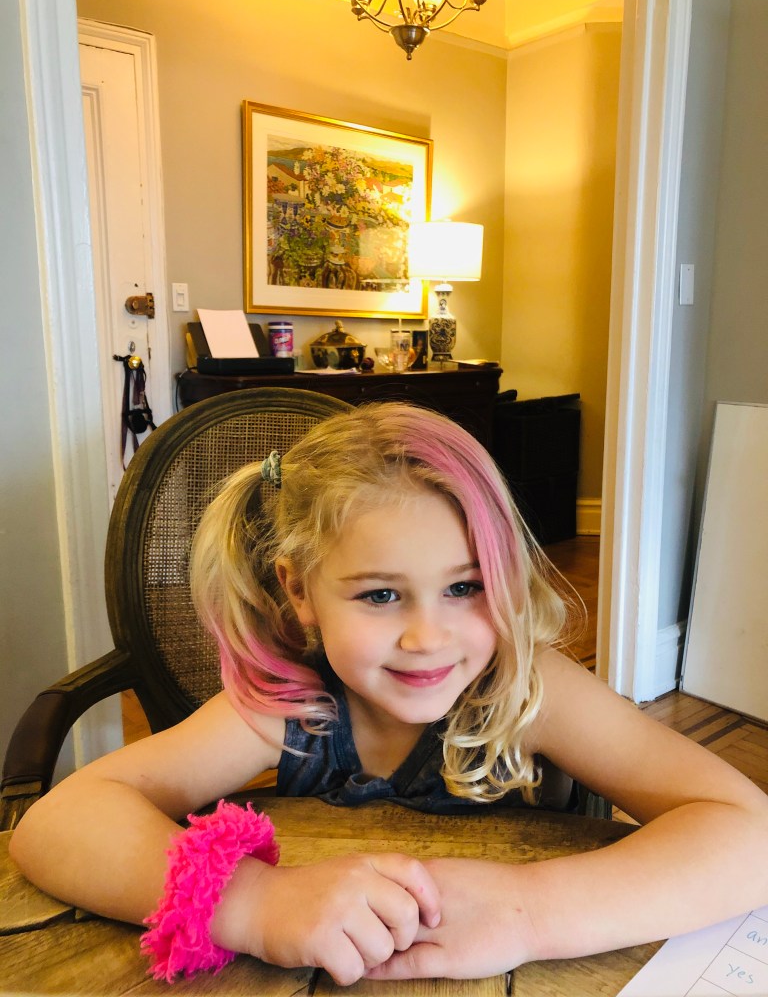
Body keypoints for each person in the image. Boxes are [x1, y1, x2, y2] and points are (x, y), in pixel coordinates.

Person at [9, 402, 768, 987]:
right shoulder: (289, 706)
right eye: (379, 595)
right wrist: (254, 904)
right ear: (300, 592)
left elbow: (748, 834)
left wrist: (528, 911)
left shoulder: (529, 690)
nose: (428, 638)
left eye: (466, 586)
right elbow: (56, 822)